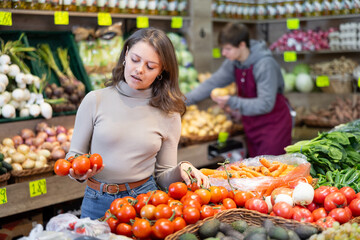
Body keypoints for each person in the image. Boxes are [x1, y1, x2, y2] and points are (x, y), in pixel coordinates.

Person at [66, 27, 209, 220]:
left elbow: (163, 176)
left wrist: (181, 169)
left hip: (144, 202)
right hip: (96, 200)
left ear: (162, 71)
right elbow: (74, 155)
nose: (139, 70)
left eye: (150, 66)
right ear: (126, 54)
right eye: (135, 59)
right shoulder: (94, 100)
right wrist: (77, 172)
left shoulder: (169, 113)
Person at [186, 22, 292, 158]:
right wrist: (184, 100)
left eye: (228, 49)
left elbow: (266, 104)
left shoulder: (265, 64)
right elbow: (212, 83)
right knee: (255, 173)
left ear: (242, 45)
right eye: (223, 49)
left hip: (273, 127)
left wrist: (232, 101)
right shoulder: (234, 62)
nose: (224, 53)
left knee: (271, 173)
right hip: (252, 126)